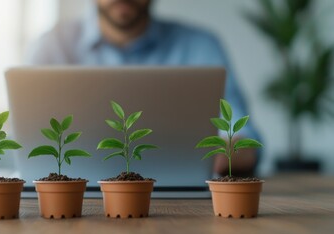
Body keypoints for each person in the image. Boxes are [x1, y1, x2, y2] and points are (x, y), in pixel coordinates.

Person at [28, 0, 261, 176]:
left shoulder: (201, 46)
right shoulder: (52, 46)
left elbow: (244, 137)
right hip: (69, 198)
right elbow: (28, 138)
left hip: (184, 207)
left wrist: (224, 155)